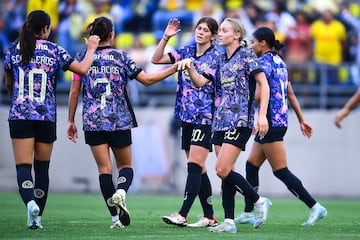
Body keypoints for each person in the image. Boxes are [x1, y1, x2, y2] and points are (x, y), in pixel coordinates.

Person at [66, 16, 179, 229]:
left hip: (93, 120)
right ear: (112, 35)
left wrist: (70, 120)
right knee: (125, 166)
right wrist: (173, 69)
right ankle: (122, 191)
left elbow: (74, 91)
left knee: (104, 170)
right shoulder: (121, 57)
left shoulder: (82, 57)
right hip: (119, 119)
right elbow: (146, 80)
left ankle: (115, 219)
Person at [4, 10, 99, 230]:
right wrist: (92, 48)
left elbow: (9, 83)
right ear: (46, 28)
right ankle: (37, 218)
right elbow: (83, 69)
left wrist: (18, 102)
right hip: (46, 116)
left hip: (20, 114)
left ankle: (29, 203)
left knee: (23, 167)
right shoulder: (55, 50)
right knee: (42, 169)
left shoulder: (12, 49)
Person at [177, 17, 272, 234]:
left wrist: (262, 115)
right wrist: (190, 68)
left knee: (221, 169)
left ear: (237, 35)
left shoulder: (246, 56)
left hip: (239, 121)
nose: (220, 33)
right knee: (226, 171)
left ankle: (258, 201)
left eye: (225, 30)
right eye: (219, 30)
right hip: (219, 121)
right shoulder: (220, 59)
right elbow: (200, 82)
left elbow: (263, 84)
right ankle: (229, 221)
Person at [234, 26, 327, 227]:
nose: (251, 46)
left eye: (253, 42)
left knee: (280, 171)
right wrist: (302, 119)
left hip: (269, 122)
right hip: (277, 120)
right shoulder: (280, 62)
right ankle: (249, 211)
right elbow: (290, 93)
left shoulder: (263, 63)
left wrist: (252, 112)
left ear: (263, 43)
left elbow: (259, 94)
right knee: (251, 165)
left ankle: (314, 206)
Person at [151, 17, 220, 228]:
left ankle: (183, 213)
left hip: (205, 116)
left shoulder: (216, 56)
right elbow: (156, 59)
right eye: (199, 28)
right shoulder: (186, 50)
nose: (200, 32)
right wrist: (166, 37)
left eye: (206, 30)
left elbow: (200, 83)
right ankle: (209, 216)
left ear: (213, 36)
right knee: (199, 168)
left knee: (194, 165)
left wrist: (190, 68)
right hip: (186, 116)